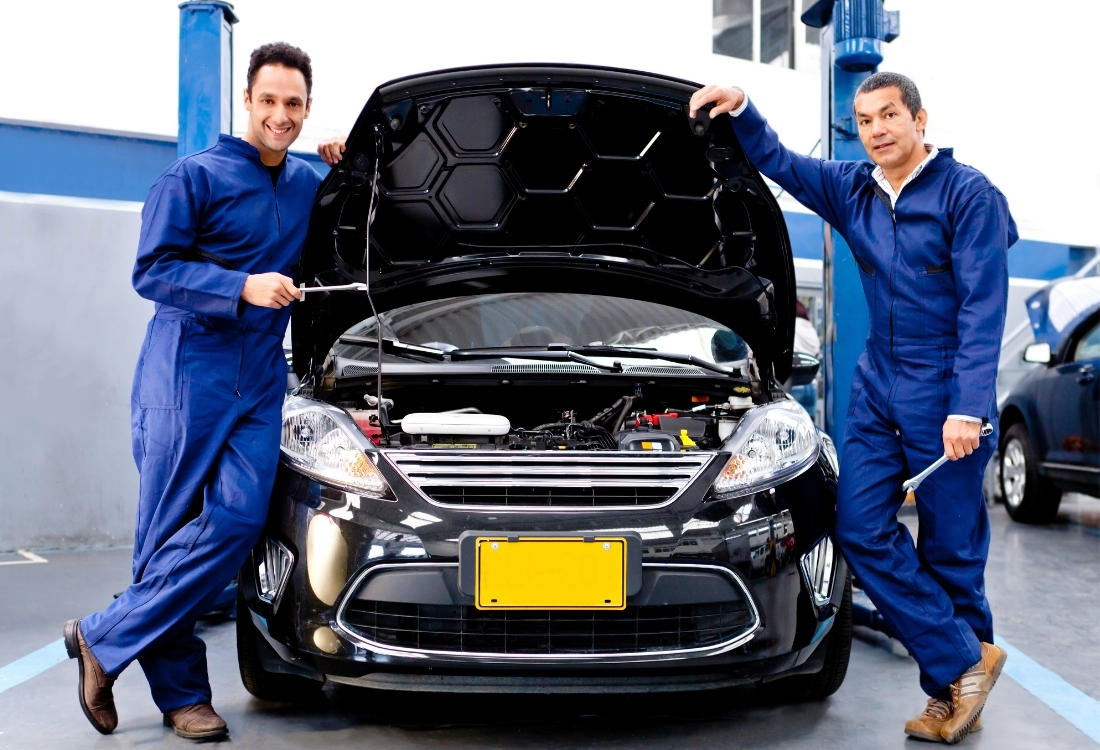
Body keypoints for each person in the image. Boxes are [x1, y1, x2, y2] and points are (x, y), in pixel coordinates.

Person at [690, 73, 1016, 744]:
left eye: (890, 115)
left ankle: (947, 696)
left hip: (946, 384)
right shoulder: (853, 188)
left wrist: (968, 407)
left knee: (953, 549)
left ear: (920, 119)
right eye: (866, 120)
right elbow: (778, 161)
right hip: (879, 385)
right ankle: (964, 661)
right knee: (860, 527)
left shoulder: (968, 196)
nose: (877, 130)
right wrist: (744, 111)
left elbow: (984, 308)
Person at [64, 42, 322, 741]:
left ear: (306, 107)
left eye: (293, 104)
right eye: (268, 100)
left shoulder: (305, 182)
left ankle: (102, 636)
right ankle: (183, 698)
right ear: (247, 100)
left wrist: (345, 159)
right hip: (188, 368)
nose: (280, 115)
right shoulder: (194, 176)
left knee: (239, 520)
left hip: (261, 377)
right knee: (168, 533)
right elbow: (152, 271)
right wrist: (240, 285)